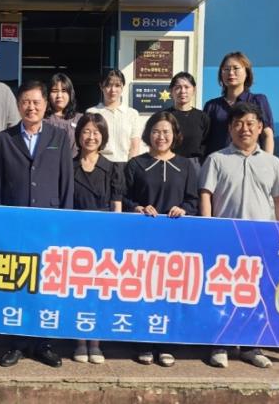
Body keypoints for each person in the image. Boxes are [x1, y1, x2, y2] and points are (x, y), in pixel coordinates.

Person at [0, 80, 73, 368]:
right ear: (18, 105)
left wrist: (64, 221)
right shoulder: (3, 139)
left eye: (36, 102)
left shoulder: (59, 136)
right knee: (17, 284)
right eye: (26, 102)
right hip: (15, 224)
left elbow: (66, 182)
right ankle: (16, 344)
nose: (31, 107)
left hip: (49, 223)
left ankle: (43, 343)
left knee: (45, 285)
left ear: (46, 105)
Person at [199, 102, 279, 369]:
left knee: (256, 294)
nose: (244, 129)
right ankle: (219, 344)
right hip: (225, 237)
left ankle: (251, 346)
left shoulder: (272, 162)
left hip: (262, 240)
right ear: (230, 128)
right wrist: (208, 228)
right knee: (222, 293)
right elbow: (206, 195)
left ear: (260, 127)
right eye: (238, 124)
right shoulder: (216, 159)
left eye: (250, 123)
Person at [123, 111, 197, 367]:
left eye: (166, 131)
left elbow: (193, 200)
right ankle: (143, 342)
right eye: (156, 131)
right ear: (148, 134)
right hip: (143, 239)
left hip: (175, 241)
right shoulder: (136, 164)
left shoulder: (186, 166)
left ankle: (166, 344)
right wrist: (138, 208)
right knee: (144, 290)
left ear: (175, 135)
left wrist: (183, 209)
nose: (161, 136)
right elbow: (125, 197)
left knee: (169, 292)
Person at [71, 113, 122, 364]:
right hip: (75, 236)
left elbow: (117, 206)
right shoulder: (68, 165)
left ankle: (96, 342)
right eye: (86, 131)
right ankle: (80, 342)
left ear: (103, 136)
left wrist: (113, 237)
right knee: (78, 290)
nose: (91, 137)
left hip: (103, 237)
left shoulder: (112, 168)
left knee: (99, 291)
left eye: (96, 132)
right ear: (78, 135)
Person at [203, 51, 275, 156]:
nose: (231, 73)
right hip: (219, 162)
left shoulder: (257, 100)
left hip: (249, 161)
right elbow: (205, 140)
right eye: (226, 69)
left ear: (247, 73)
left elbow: (267, 135)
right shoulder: (212, 106)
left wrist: (267, 162)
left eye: (236, 68)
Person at [86, 69, 142, 164]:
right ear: (101, 86)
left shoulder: (132, 114)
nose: (113, 90)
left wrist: (130, 168)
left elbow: (134, 147)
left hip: (124, 165)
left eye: (117, 86)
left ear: (122, 87)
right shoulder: (92, 112)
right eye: (108, 85)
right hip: (98, 165)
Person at [165, 72, 210, 170]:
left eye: (186, 87)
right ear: (171, 91)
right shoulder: (164, 116)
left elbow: (207, 144)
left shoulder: (202, 117)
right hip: (168, 163)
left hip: (196, 165)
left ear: (193, 90)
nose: (182, 91)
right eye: (178, 87)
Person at [44, 73, 82, 157]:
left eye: (64, 91)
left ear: (70, 93)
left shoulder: (80, 119)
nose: (59, 95)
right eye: (55, 91)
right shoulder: (42, 119)